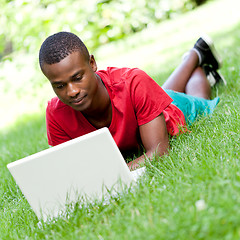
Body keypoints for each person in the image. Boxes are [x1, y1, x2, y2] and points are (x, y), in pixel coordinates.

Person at [39, 32, 225, 170]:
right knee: (161, 91)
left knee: (197, 99)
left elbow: (159, 151)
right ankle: (197, 53)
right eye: (60, 86)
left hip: (172, 113)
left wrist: (118, 174)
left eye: (78, 77)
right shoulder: (56, 114)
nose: (71, 91)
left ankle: (198, 58)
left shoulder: (132, 82)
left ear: (93, 64)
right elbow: (71, 170)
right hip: (147, 102)